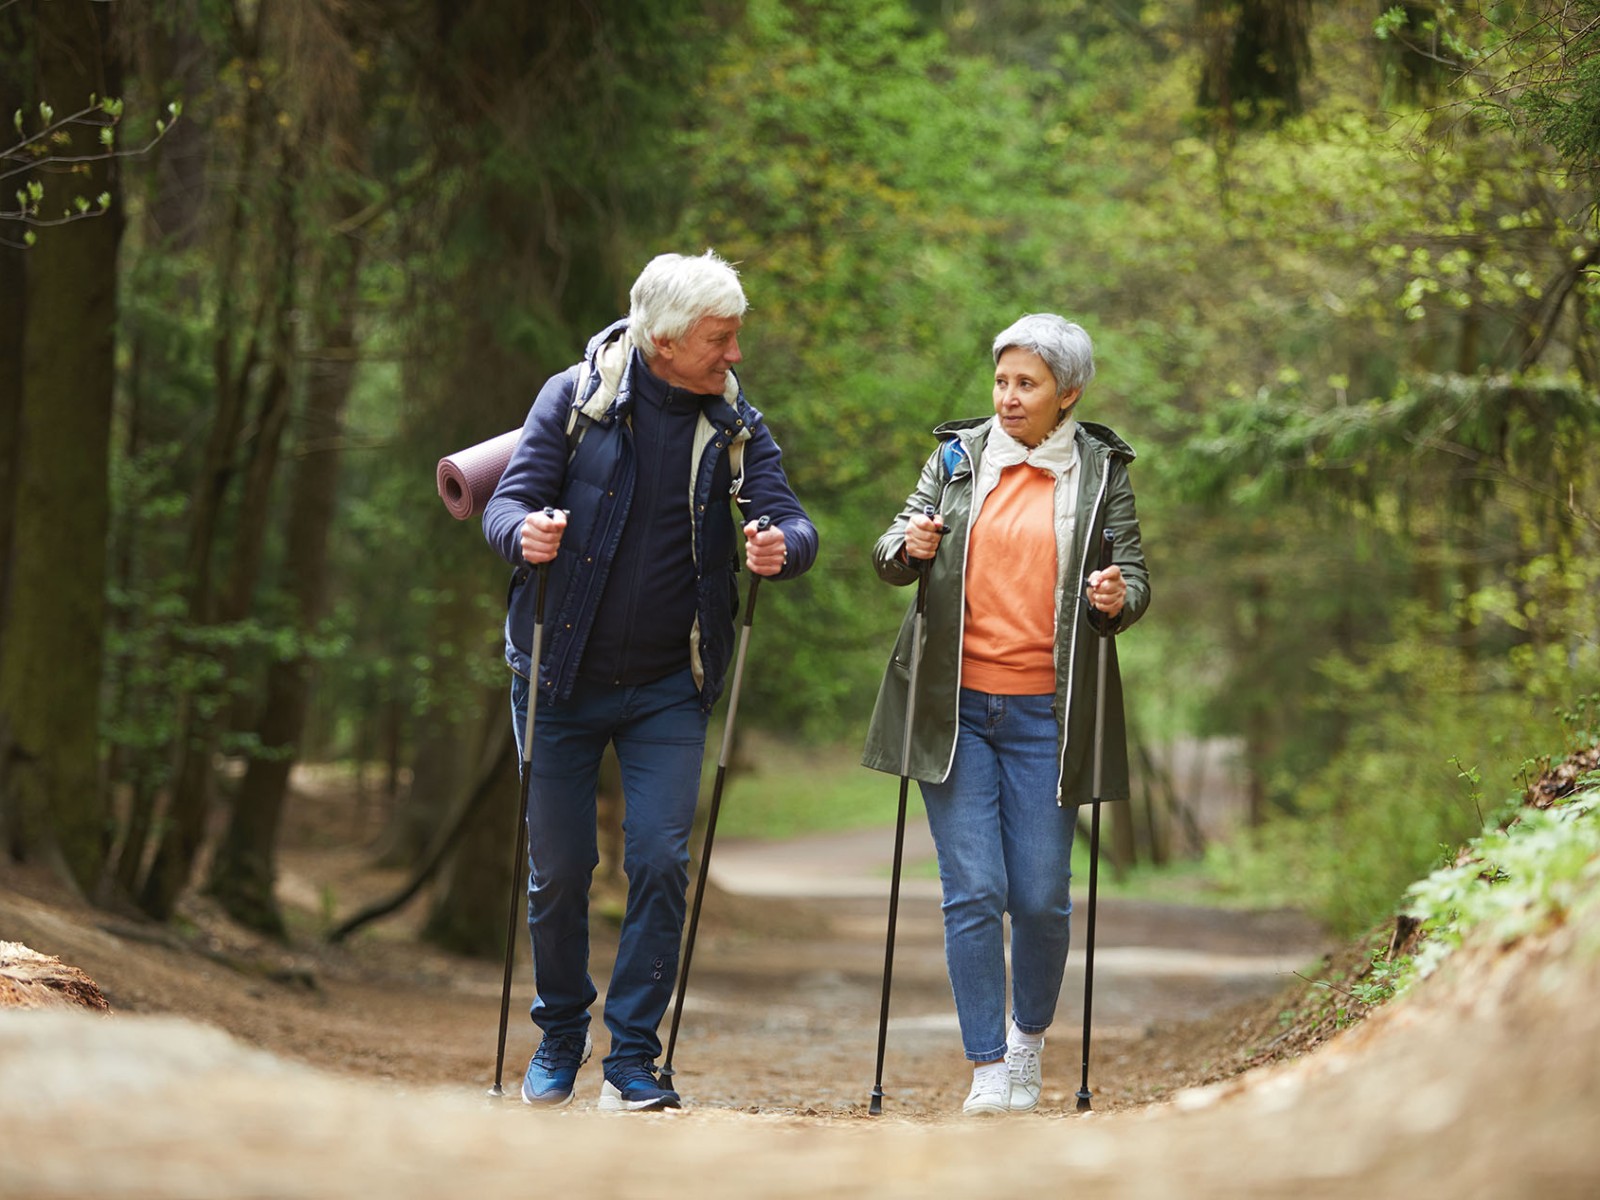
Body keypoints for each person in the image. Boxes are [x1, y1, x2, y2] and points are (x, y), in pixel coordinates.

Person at [483, 250, 818, 1112]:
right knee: (559, 870)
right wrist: (525, 535)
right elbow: (505, 503)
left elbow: (791, 518)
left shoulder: (736, 424)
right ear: (665, 342)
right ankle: (560, 1035)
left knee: (662, 860)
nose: (734, 354)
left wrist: (782, 547)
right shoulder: (575, 400)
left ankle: (633, 1056)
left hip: (672, 680)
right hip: (558, 673)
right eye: (720, 338)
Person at [861, 312, 1149, 1116]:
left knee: (1042, 899)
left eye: (1028, 384)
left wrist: (1115, 598)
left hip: (1046, 718)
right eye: (1002, 381)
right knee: (974, 890)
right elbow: (890, 552)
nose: (1009, 398)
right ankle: (987, 1064)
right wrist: (909, 545)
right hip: (953, 712)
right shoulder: (957, 458)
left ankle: (1029, 1041)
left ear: (1069, 395)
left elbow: (1133, 581)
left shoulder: (1099, 472)